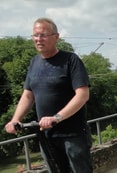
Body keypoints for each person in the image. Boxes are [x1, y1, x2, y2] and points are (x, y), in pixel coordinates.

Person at [4, 18, 93, 173]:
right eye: (35, 35)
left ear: (56, 37)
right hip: (46, 136)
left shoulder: (71, 60)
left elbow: (82, 95)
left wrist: (56, 117)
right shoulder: (34, 62)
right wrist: (15, 119)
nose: (38, 39)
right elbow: (28, 96)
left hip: (73, 135)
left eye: (43, 35)